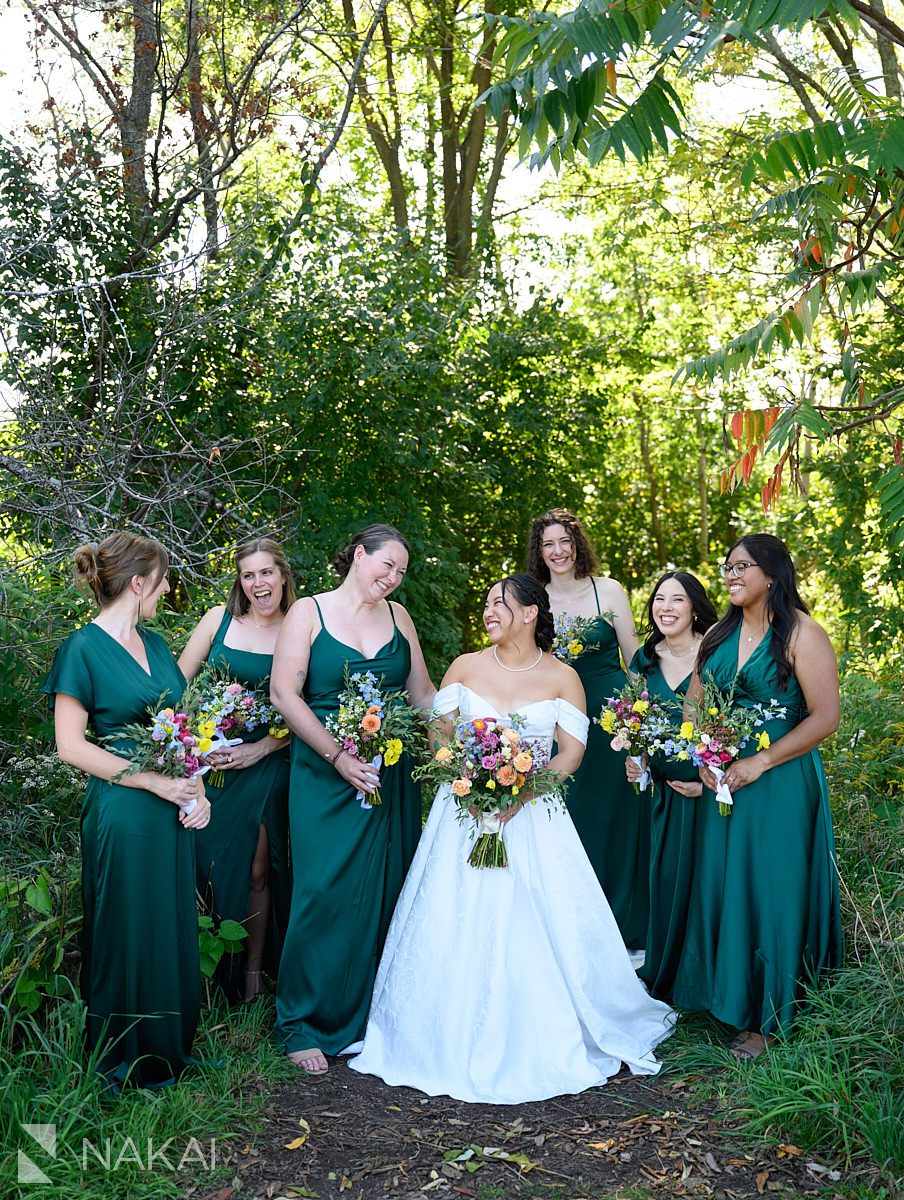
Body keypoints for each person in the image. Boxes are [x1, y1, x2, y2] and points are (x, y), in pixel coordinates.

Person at [349, 574, 675, 1104]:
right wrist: (467, 782)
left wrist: (524, 794)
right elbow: (440, 735)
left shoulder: (563, 677)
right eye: (485, 603)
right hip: (463, 813)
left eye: (499, 603)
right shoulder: (465, 666)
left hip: (535, 816)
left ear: (529, 612)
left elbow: (571, 751)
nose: (487, 611)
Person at [43, 532, 210, 1089]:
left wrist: (195, 791)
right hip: (122, 809)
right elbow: (71, 746)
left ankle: (166, 1052)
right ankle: (119, 1061)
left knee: (169, 925)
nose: (164, 593)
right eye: (161, 583)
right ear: (138, 583)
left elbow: (182, 732)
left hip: (170, 811)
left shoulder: (159, 646)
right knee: (125, 926)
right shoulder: (82, 650)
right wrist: (155, 785)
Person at [270, 523, 436, 1075]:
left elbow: (423, 696)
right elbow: (283, 695)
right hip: (324, 775)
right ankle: (304, 1021)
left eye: (401, 573)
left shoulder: (399, 619)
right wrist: (337, 756)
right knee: (323, 891)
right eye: (386, 566)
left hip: (392, 776)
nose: (392, 579)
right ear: (359, 555)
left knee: (391, 886)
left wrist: (470, 750)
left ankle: (377, 1016)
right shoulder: (308, 614)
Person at [672, 534, 843, 1060]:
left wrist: (761, 761)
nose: (730, 574)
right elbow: (693, 706)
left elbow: (826, 717)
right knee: (731, 886)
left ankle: (774, 1016)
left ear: (772, 573)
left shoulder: (802, 633)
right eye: (727, 566)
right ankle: (731, 999)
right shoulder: (719, 636)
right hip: (725, 783)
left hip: (781, 781)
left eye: (742, 565)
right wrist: (704, 757)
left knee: (774, 890)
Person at [179, 537, 295, 1003]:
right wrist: (189, 744)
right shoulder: (218, 620)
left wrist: (261, 750)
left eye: (266, 572)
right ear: (240, 582)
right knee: (204, 861)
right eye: (248, 575)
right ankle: (202, 974)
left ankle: (250, 975)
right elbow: (175, 686)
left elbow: (311, 708)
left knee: (256, 868)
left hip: (268, 759)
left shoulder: (302, 625)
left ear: (283, 575)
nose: (258, 583)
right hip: (210, 762)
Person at [526, 509, 647, 948]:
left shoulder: (608, 591)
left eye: (564, 541)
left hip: (612, 717)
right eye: (548, 544)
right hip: (558, 718)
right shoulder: (532, 597)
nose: (558, 551)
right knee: (569, 814)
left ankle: (625, 928)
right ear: (538, 552)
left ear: (578, 544)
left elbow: (634, 661)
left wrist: (643, 722)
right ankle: (573, 928)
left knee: (617, 816)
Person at [626, 572, 718, 1001]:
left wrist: (712, 782)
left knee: (706, 882)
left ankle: (706, 978)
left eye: (677, 599)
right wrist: (638, 761)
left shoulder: (716, 653)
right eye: (659, 598)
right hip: (663, 795)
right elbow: (635, 724)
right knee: (665, 879)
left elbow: (727, 723)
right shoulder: (644, 660)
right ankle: (668, 972)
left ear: (695, 607)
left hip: (710, 795)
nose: (665, 607)